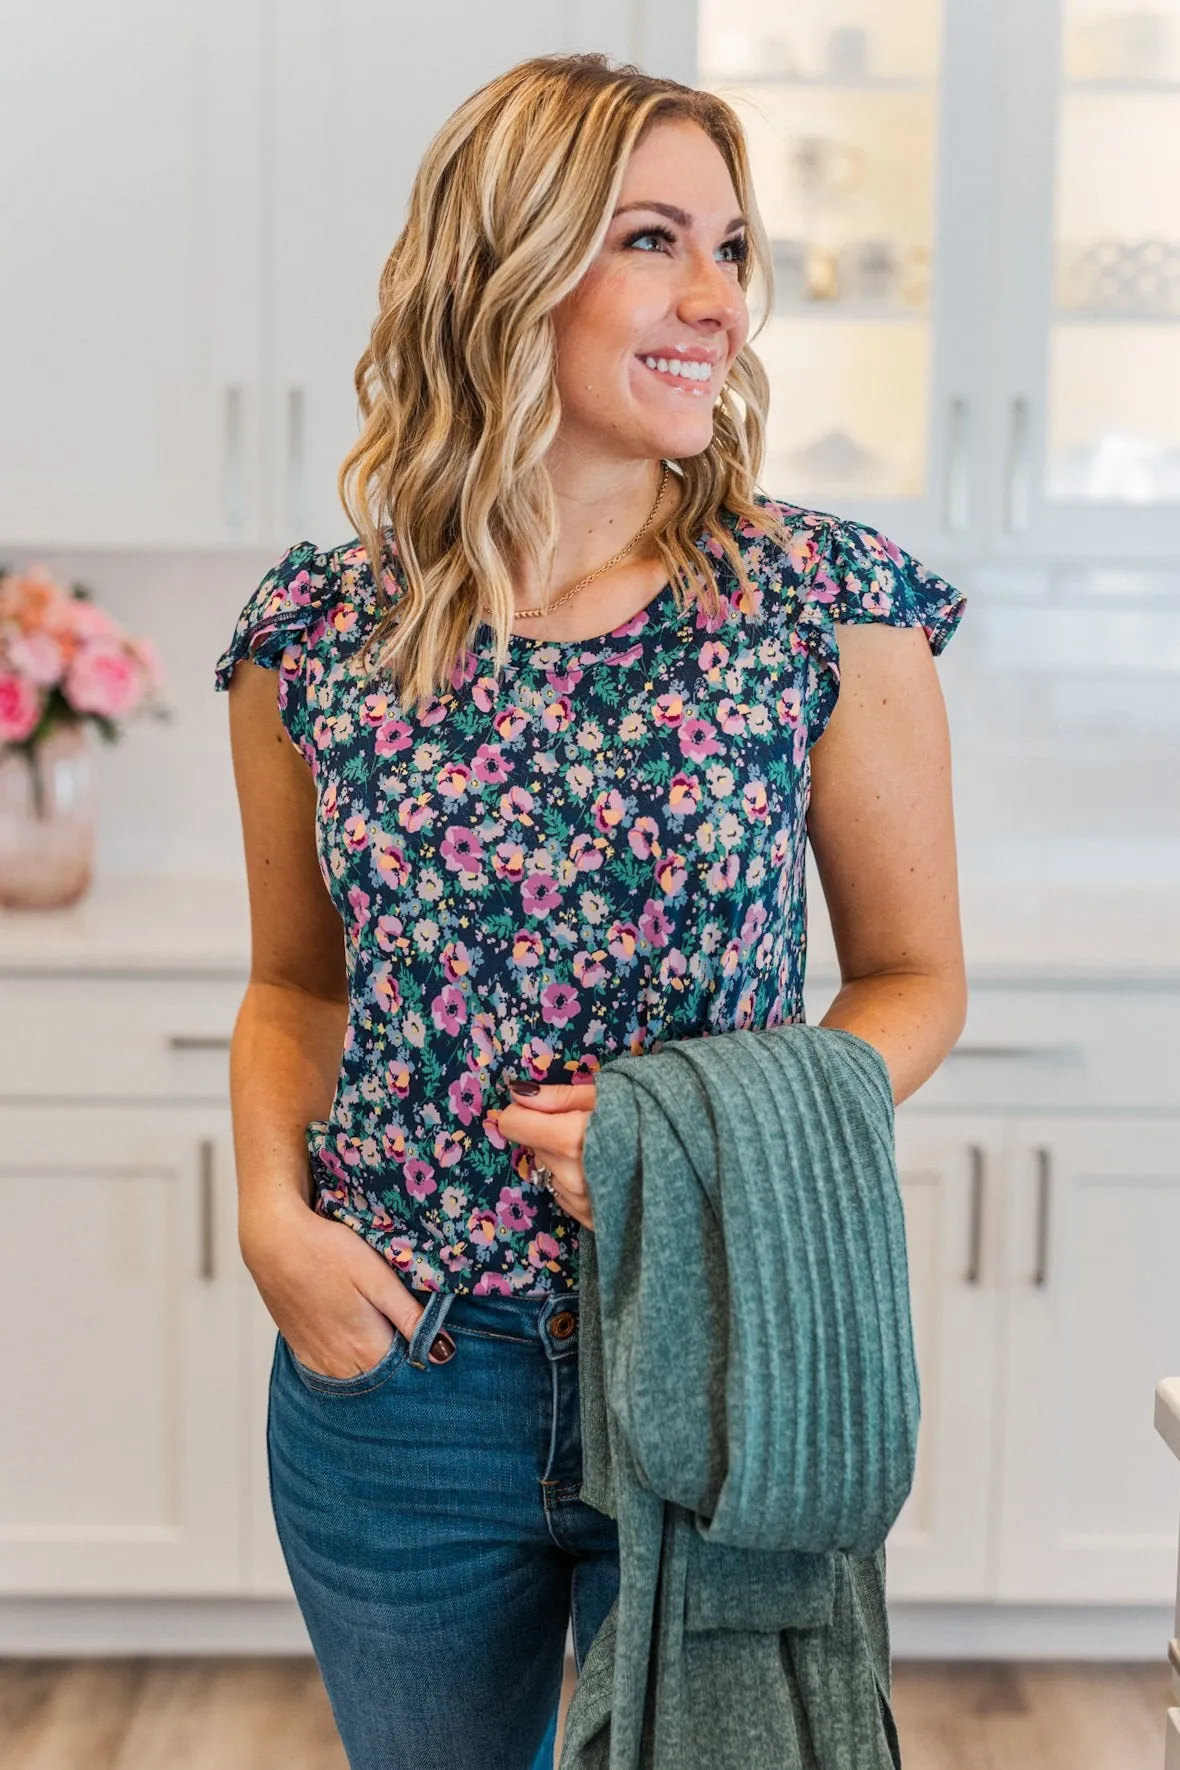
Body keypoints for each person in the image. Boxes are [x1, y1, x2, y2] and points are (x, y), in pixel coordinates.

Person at [214, 51, 967, 1770]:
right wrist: (270, 1216)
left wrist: (684, 1133)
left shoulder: (825, 606)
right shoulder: (317, 633)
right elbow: (293, 990)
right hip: (401, 1368)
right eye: (653, 239)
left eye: (731, 243)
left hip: (718, 1353)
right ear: (511, 265)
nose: (719, 299)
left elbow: (918, 979)